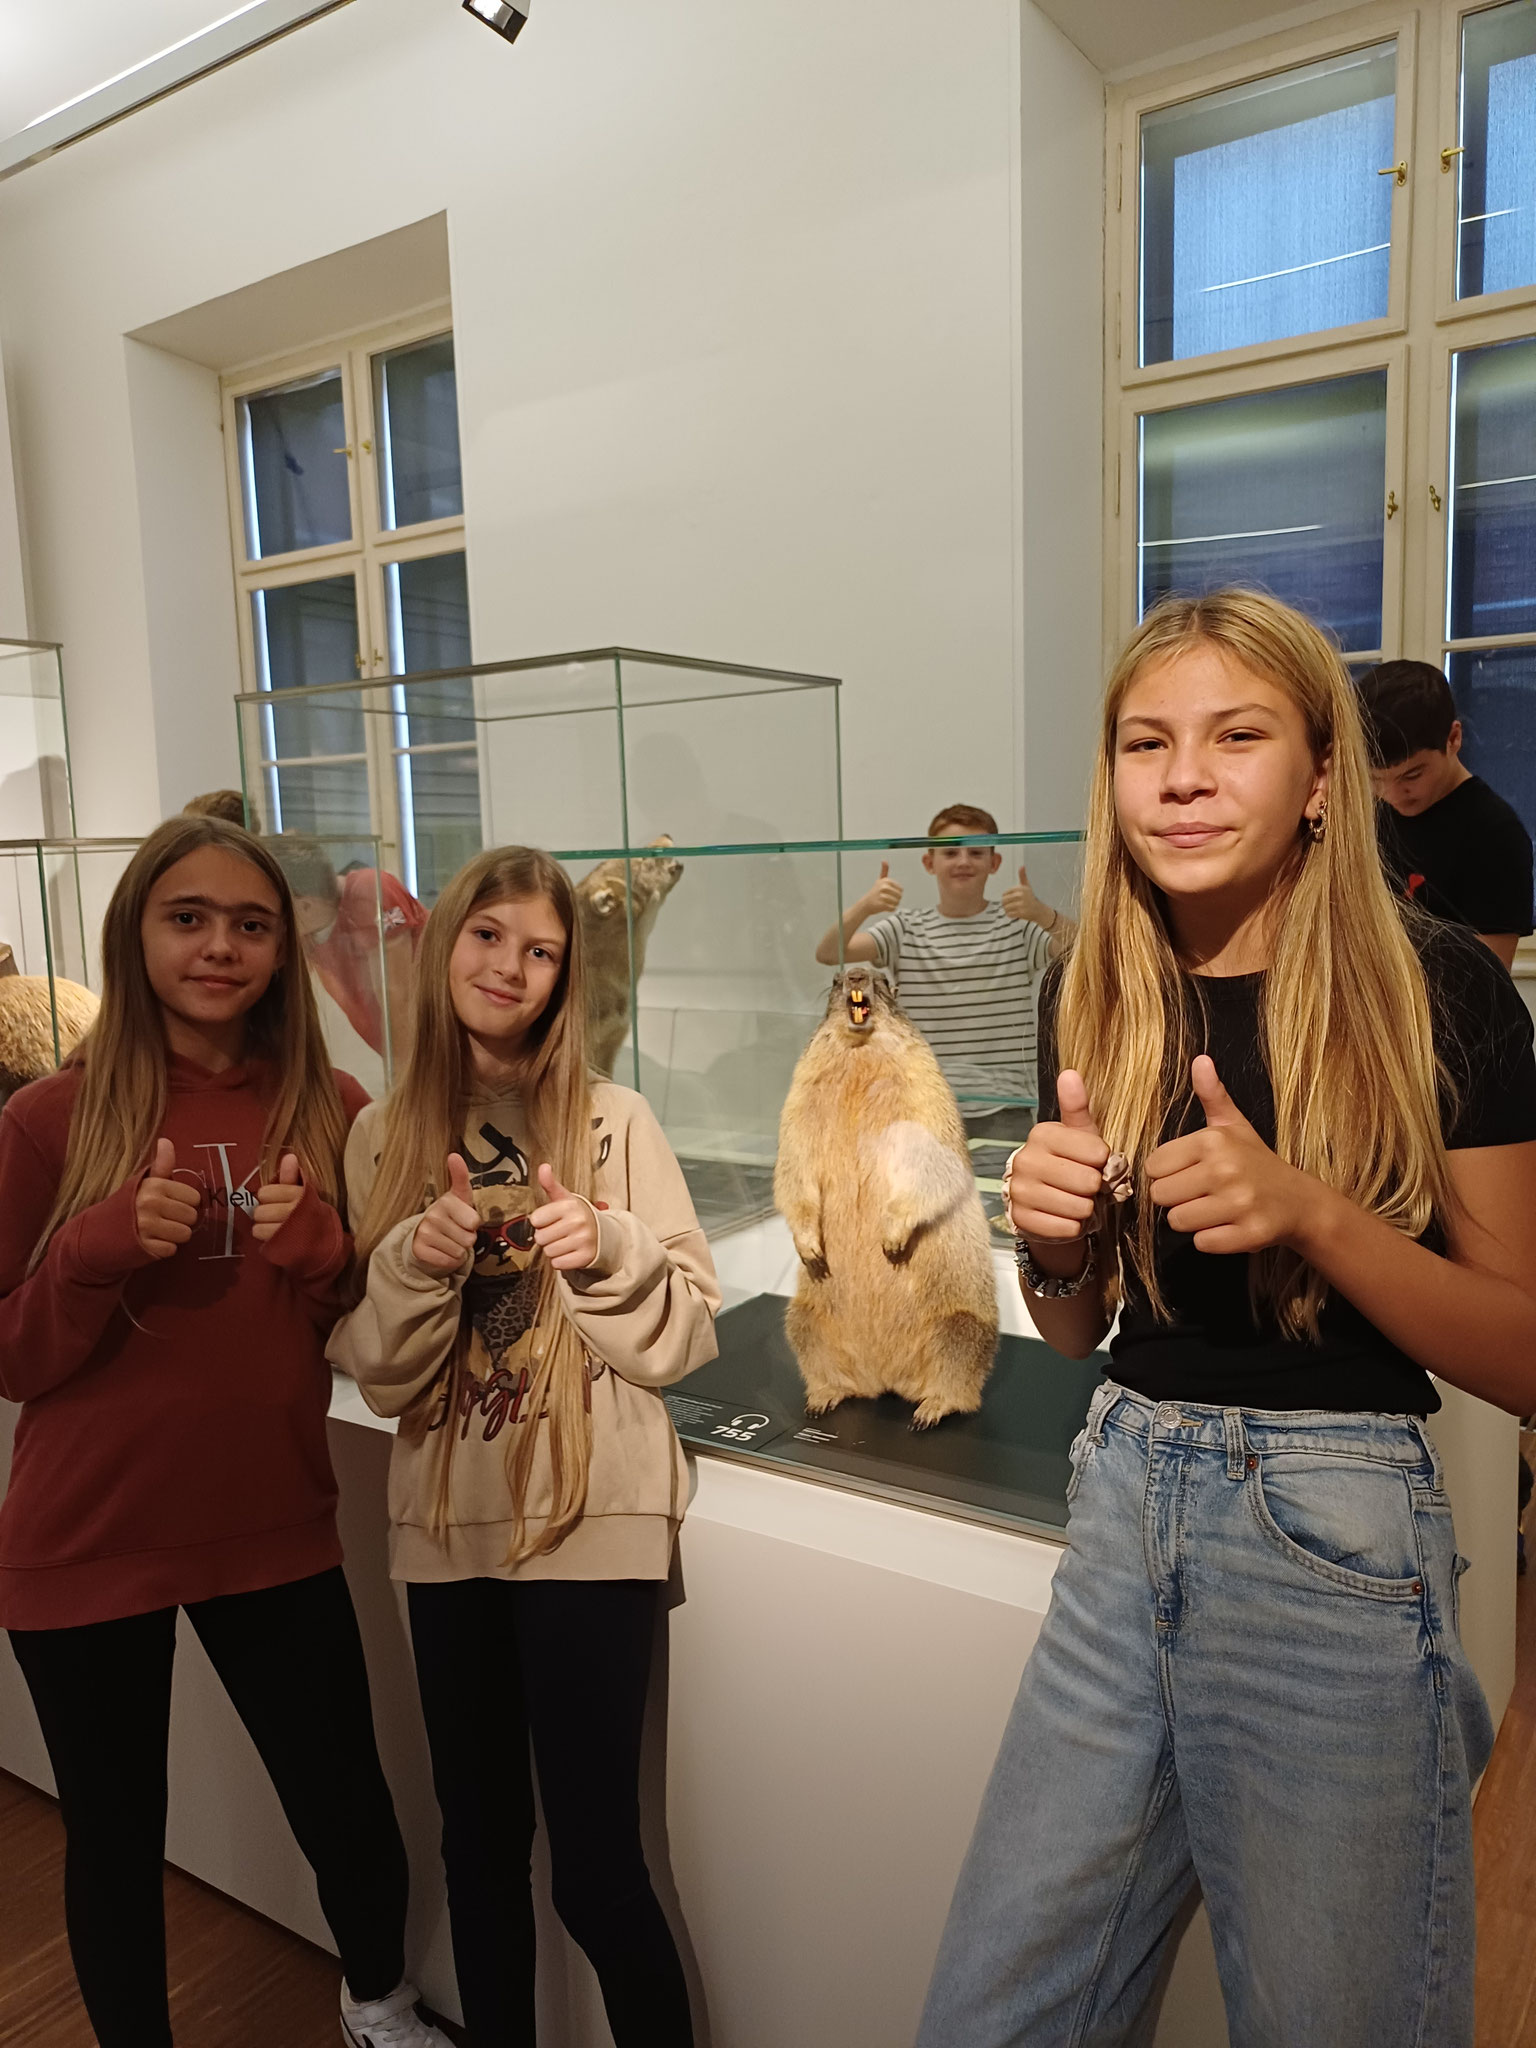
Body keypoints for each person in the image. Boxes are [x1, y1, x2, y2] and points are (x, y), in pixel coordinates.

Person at [918, 591, 1536, 2048]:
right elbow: (1077, 1333)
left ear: (1321, 776)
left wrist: (1315, 1213)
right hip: (1121, 1503)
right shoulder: (1096, 983)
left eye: (1236, 736)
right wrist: (1052, 1242)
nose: (1183, 778)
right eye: (1147, 742)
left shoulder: (1435, 985)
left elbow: (1522, 1349)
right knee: (991, 2017)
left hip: (1332, 1535)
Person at [0, 814, 448, 2048]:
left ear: (282, 946)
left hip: (271, 1523)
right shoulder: (48, 1119)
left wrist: (325, 1254)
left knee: (345, 1799)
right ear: (135, 930)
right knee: (113, 1834)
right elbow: (12, 1358)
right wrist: (89, 1253)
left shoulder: (332, 1102)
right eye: (187, 917)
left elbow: (361, 1320)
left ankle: (378, 2003)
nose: (220, 946)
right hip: (86, 1537)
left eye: (250, 924)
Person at [328, 845, 719, 2048]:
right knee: (480, 1850)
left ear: (566, 973)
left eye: (540, 949)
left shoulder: (616, 1117)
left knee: (598, 1871)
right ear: (446, 940)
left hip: (592, 1522)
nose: (510, 966)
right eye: (489, 934)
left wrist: (609, 1244)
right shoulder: (384, 1133)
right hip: (448, 1530)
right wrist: (414, 1263)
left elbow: (689, 1328)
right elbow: (381, 1369)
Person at [813, 804, 1074, 1138]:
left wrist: (1043, 914)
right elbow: (828, 953)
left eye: (976, 852)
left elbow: (1085, 951)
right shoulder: (905, 927)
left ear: (994, 863)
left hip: (1005, 1107)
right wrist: (866, 905)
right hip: (923, 1101)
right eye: (950, 852)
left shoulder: (1018, 927)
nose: (963, 861)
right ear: (929, 862)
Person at [1356, 658, 1534, 969]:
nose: (1392, 794)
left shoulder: (1494, 833)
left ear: (1453, 739)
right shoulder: (1371, 811)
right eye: (1375, 779)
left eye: (1412, 775)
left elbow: (1488, 978)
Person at [268, 834, 428, 1065]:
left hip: (428, 1052)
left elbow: (398, 998)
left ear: (305, 906)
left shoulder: (369, 890)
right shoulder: (311, 934)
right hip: (403, 1056)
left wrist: (405, 1078)